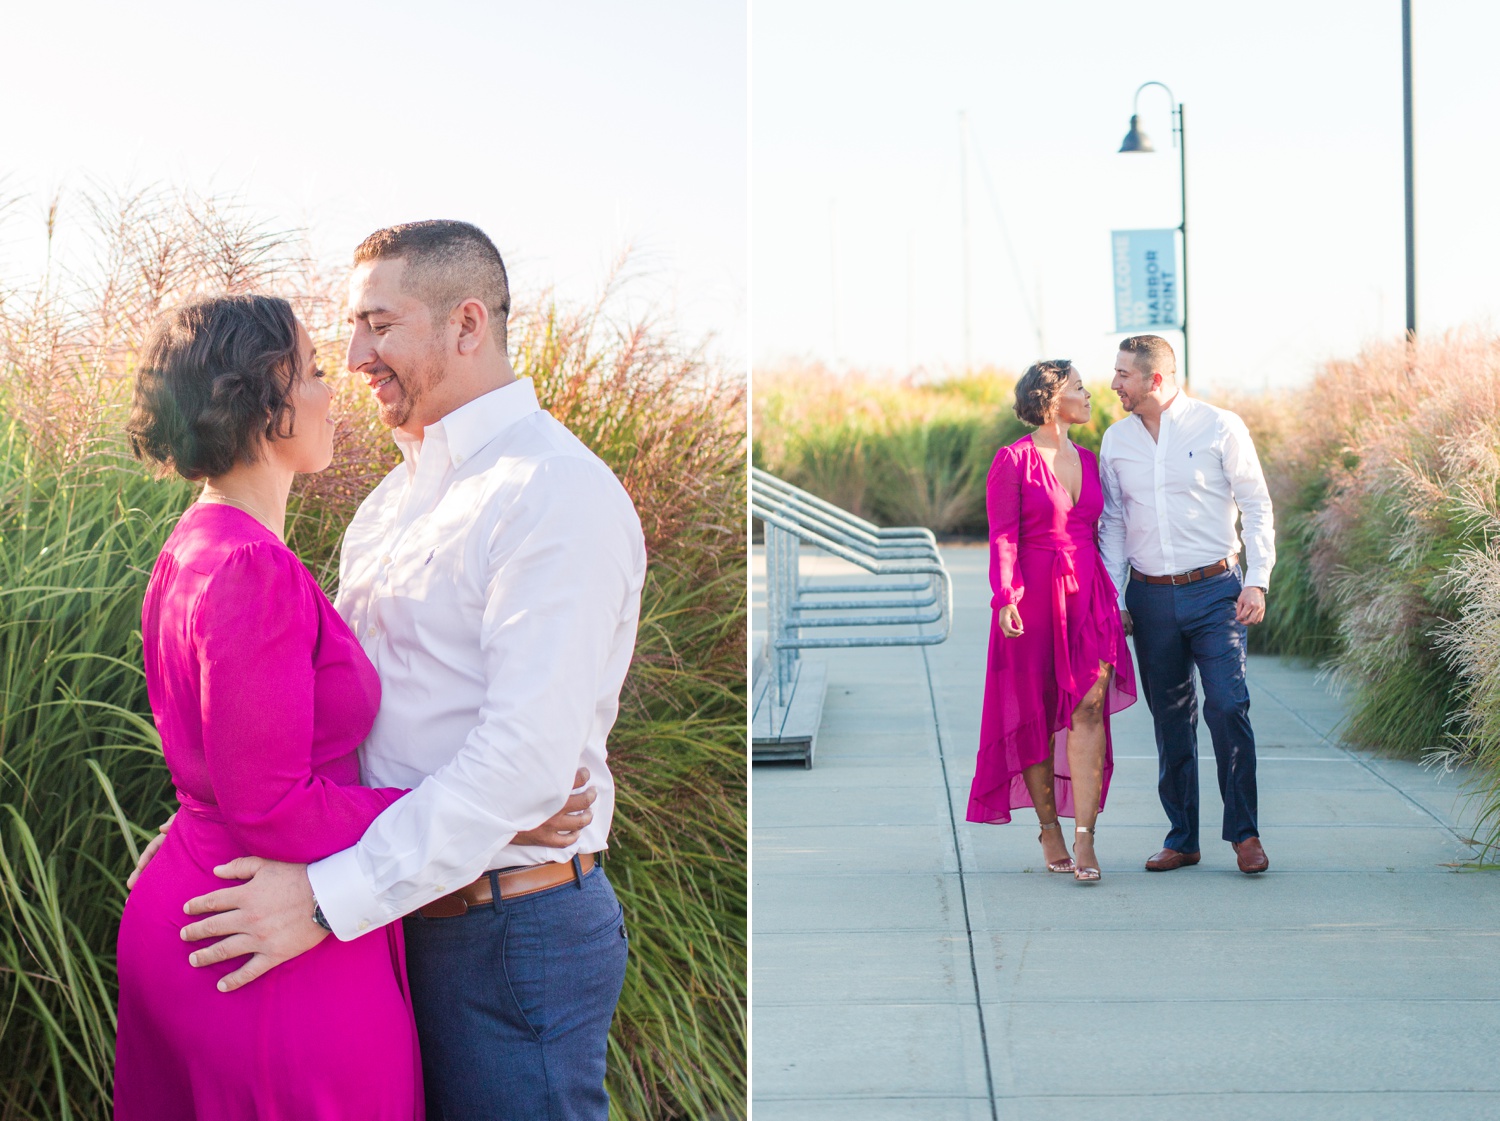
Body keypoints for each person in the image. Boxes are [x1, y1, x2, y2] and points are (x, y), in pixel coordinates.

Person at [165, 221, 647, 1121]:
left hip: (505, 938)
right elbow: (320, 721)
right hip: (386, 924)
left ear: (467, 325)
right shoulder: (391, 503)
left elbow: (524, 764)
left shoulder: (553, 494)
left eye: (378, 325)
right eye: (349, 330)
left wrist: (321, 899)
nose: (353, 356)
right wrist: (206, 829)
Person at [1098, 334, 1275, 875]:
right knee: (1171, 721)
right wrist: (1114, 595)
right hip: (1148, 598)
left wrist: (1259, 580)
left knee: (1227, 706)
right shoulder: (1115, 440)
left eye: (1123, 375)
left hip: (1216, 591)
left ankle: (1244, 834)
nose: (1113, 384)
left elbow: (1256, 505)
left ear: (1155, 379)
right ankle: (1183, 838)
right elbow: (1113, 523)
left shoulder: (1220, 425)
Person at [968, 359, 1136, 881]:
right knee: (1036, 718)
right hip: (1035, 601)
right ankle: (1050, 829)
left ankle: (1086, 837)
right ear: (1052, 397)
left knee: (1089, 711)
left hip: (1089, 598)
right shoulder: (1012, 461)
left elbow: (1109, 530)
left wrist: (1120, 595)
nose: (1091, 395)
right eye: (1081, 388)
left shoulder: (1091, 457)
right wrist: (1006, 598)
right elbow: (1003, 537)